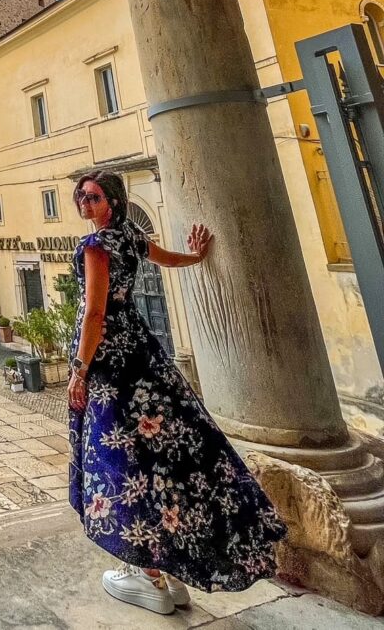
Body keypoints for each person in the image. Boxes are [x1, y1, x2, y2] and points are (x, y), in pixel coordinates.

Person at [67, 170, 286, 615]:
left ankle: (148, 573)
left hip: (108, 363)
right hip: (142, 354)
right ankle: (167, 569)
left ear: (112, 201)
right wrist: (197, 256)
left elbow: (94, 313)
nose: (84, 204)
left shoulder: (96, 246)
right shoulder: (131, 236)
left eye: (93, 197)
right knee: (161, 454)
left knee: (121, 461)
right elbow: (166, 259)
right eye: (81, 197)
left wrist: (79, 370)